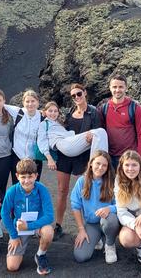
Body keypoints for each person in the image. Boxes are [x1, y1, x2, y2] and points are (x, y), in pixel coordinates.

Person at [37, 98, 107, 240]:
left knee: (88, 188)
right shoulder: (68, 114)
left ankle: (92, 224)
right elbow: (43, 139)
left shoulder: (92, 113)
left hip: (82, 155)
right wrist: (50, 158)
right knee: (62, 191)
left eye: (79, 94)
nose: (76, 97)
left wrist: (90, 135)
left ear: (85, 94)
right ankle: (58, 225)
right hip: (64, 156)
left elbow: (95, 129)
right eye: (73, 95)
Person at [1, 158, 54, 275]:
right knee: (12, 266)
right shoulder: (12, 191)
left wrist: (29, 226)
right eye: (23, 177)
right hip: (20, 227)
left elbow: (50, 216)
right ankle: (18, 245)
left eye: (30, 177)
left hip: (36, 225)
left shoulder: (42, 189)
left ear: (36, 176)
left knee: (49, 231)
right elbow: (4, 213)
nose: (26, 181)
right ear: (17, 176)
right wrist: (13, 236)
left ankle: (40, 255)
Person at [0, 89, 45, 181]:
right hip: (17, 156)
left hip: (34, 158)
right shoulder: (18, 112)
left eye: (33, 101)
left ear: (38, 102)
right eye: (27, 101)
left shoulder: (42, 117)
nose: (30, 104)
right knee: (16, 186)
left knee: (33, 186)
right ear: (23, 102)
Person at [70, 150, 119, 264]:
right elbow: (75, 205)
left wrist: (109, 209)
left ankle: (110, 244)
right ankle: (98, 238)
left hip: (110, 222)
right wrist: (81, 230)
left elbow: (121, 205)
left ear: (108, 168)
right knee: (80, 256)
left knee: (110, 219)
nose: (100, 167)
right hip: (92, 224)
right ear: (91, 163)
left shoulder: (113, 182)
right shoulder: (82, 181)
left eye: (104, 165)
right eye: (98, 163)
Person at [101, 75, 141, 169]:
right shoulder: (104, 108)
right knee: (112, 184)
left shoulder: (134, 107)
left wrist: (140, 157)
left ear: (126, 87)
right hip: (110, 157)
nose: (117, 90)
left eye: (120, 87)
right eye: (114, 87)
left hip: (129, 158)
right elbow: (100, 132)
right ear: (110, 88)